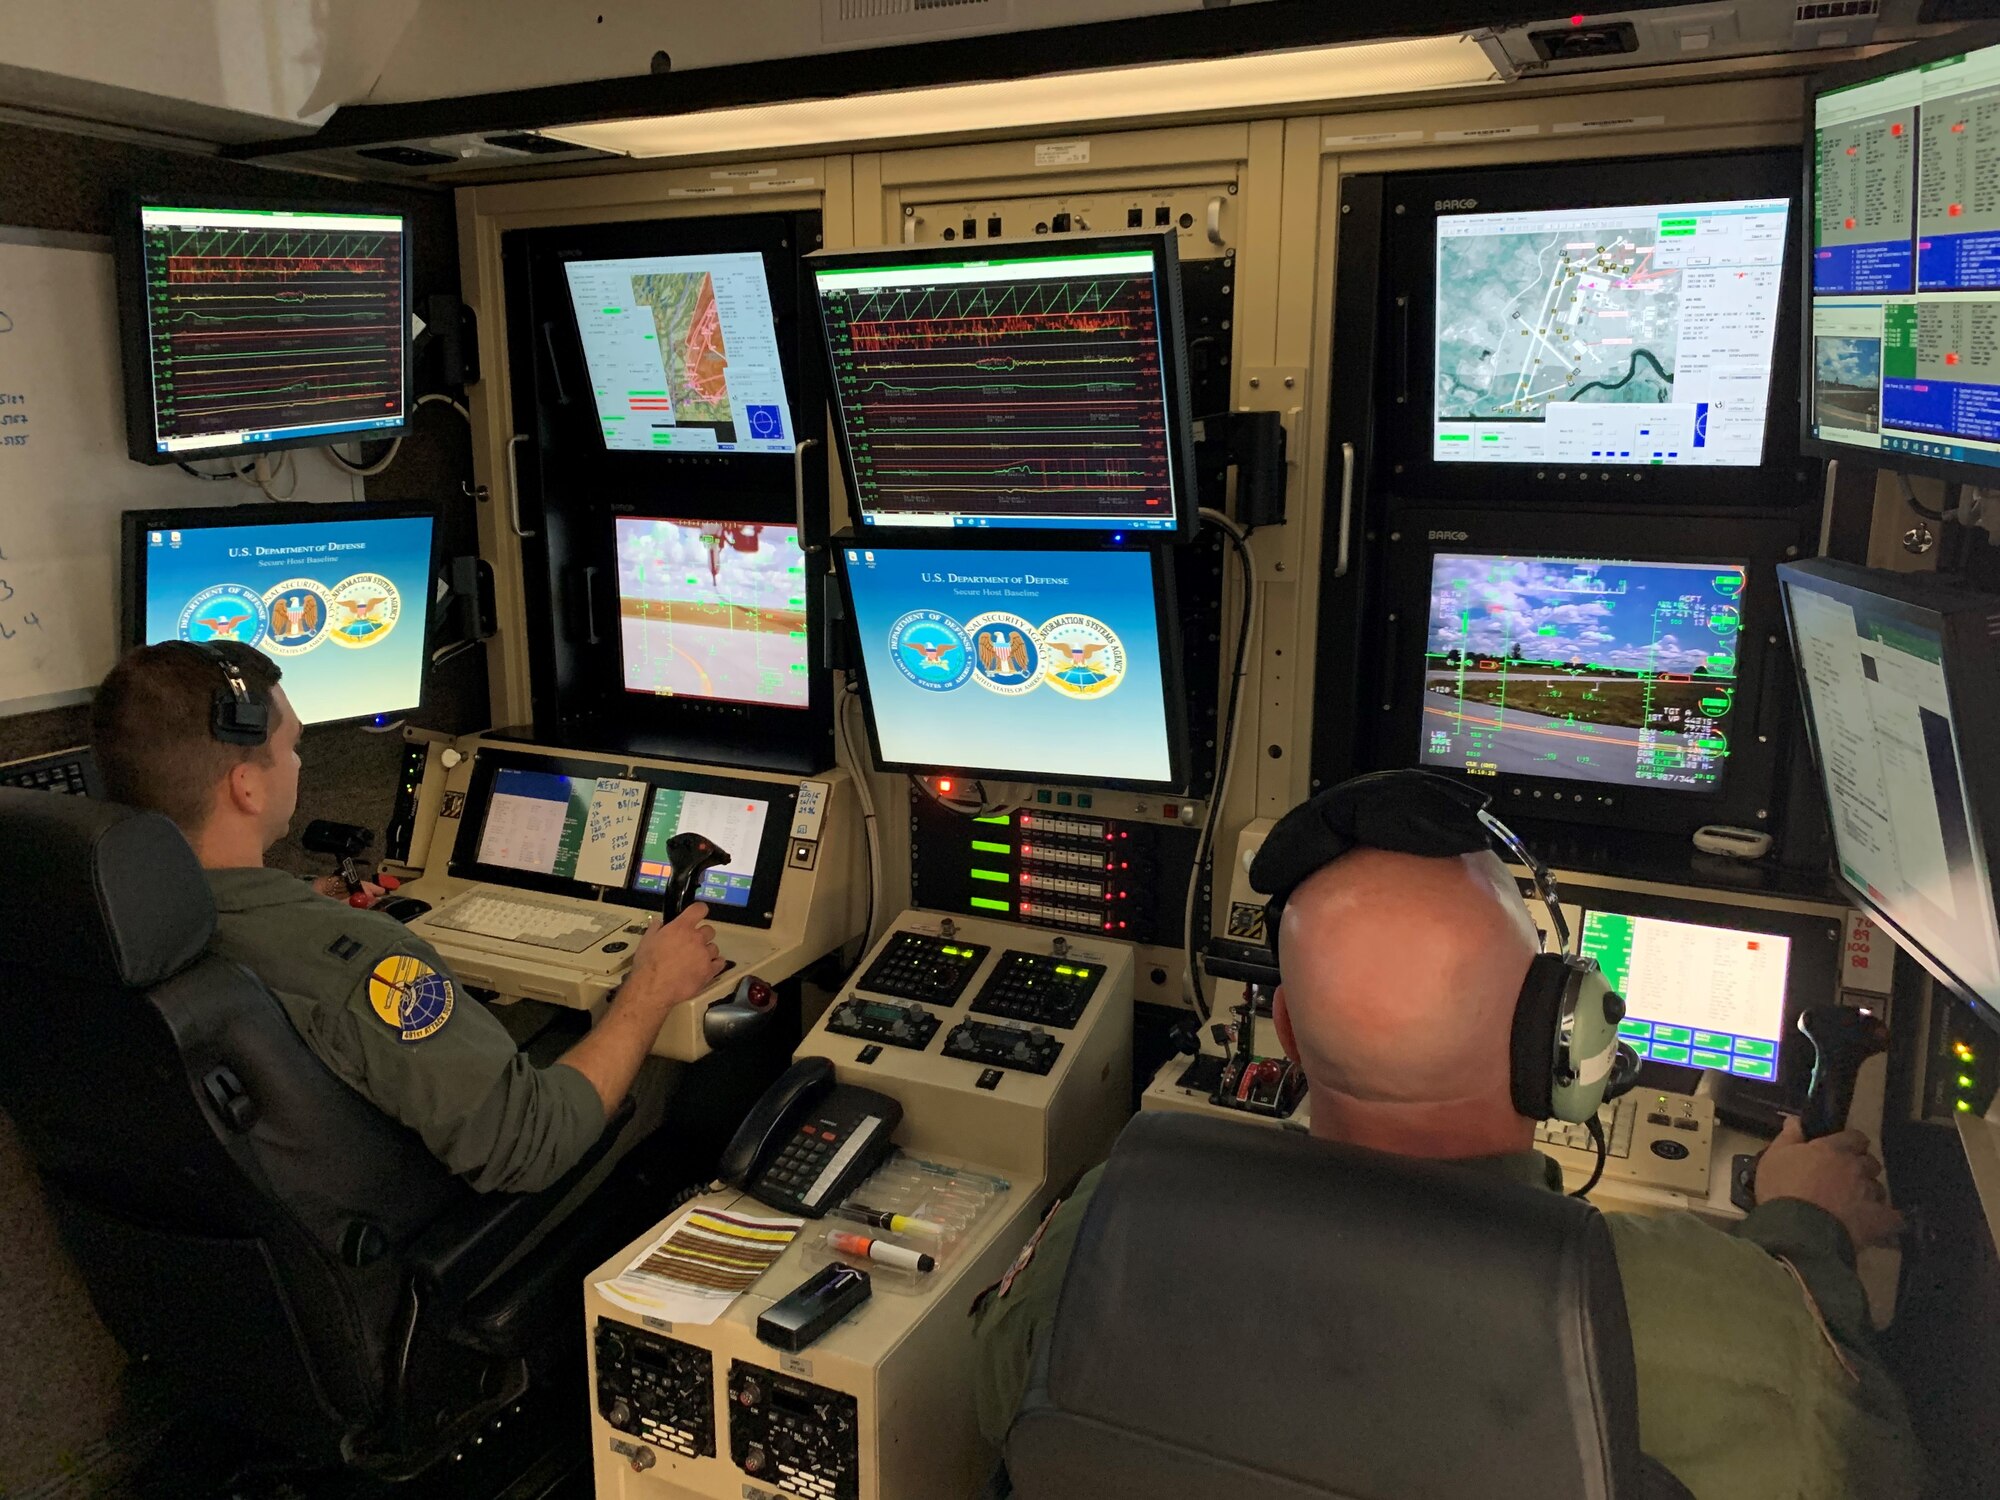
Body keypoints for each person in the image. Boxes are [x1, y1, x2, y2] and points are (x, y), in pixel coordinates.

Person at [972, 785, 1923, 1500]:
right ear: (1565, 1046)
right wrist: (1808, 1227)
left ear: (1291, 1037)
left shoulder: (1110, 1228)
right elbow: (1879, 1468)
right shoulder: (1737, 1321)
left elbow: (999, 1400)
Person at [90, 640, 725, 1194]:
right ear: (246, 787)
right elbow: (530, 1143)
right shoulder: (360, 961)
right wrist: (651, 988)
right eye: (292, 748)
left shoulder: (111, 921)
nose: (300, 764)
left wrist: (301, 905)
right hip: (421, 1237)